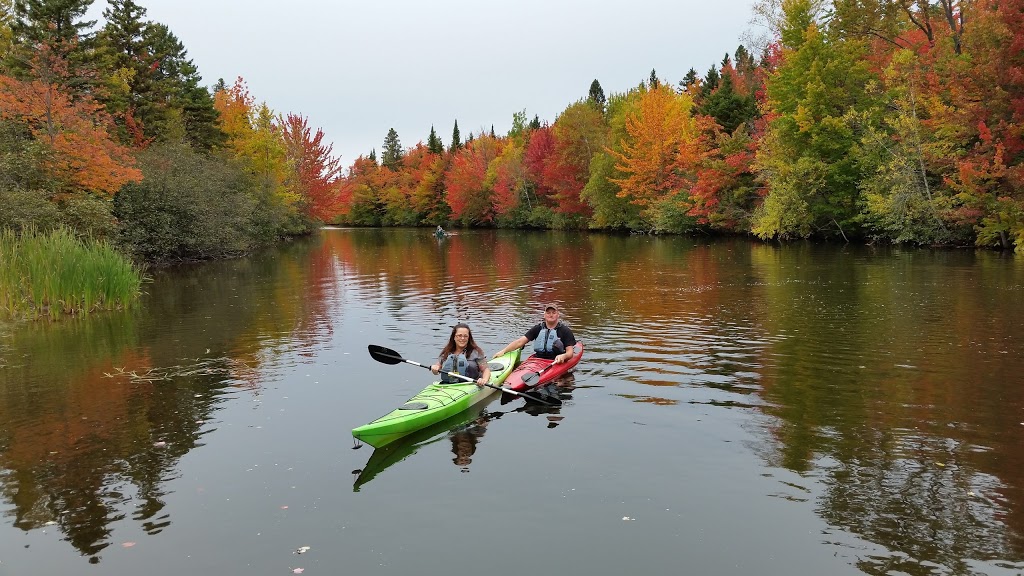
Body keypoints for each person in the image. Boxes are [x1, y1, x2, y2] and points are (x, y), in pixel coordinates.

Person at [492, 303, 577, 364]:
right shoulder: (538, 328)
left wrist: (563, 356)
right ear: (544, 315)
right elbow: (520, 342)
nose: (551, 315)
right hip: (538, 360)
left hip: (556, 361)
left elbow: (570, 353)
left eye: (554, 313)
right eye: (548, 313)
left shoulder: (565, 331)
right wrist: (503, 351)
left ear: (558, 315)